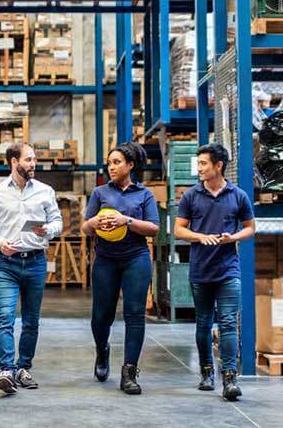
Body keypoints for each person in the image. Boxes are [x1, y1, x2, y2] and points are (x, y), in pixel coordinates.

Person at [174, 143, 255, 402]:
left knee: (229, 323)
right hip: (200, 270)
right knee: (204, 323)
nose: (198, 168)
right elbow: (179, 230)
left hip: (228, 270)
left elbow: (250, 228)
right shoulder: (191, 196)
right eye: (198, 164)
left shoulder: (238, 195)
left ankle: (230, 377)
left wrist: (233, 237)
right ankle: (207, 372)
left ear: (218, 166)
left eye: (203, 163)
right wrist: (200, 237)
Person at [0, 142, 62, 395]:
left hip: (36, 261)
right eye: (28, 159)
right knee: (5, 317)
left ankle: (23, 368)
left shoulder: (45, 191)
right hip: (6, 264)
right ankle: (6, 369)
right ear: (14, 162)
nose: (33, 164)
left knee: (31, 320)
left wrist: (49, 229)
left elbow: (57, 221)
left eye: (34, 159)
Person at [82, 142, 159, 395]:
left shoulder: (144, 195)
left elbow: (153, 228)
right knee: (101, 315)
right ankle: (102, 350)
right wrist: (93, 222)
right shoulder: (100, 192)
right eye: (110, 162)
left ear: (130, 165)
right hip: (105, 259)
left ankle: (129, 371)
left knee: (134, 314)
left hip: (136, 258)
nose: (111, 167)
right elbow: (85, 227)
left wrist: (125, 220)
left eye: (116, 162)